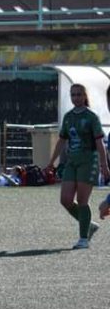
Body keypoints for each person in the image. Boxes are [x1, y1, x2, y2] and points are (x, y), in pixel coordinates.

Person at [45, 83, 110, 249]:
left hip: (88, 160)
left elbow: (99, 142)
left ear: (85, 96)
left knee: (82, 200)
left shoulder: (91, 117)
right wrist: (52, 161)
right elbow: (62, 140)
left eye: (79, 94)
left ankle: (83, 239)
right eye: (73, 95)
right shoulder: (68, 117)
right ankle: (89, 225)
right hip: (72, 162)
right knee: (65, 200)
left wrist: (104, 164)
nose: (76, 98)